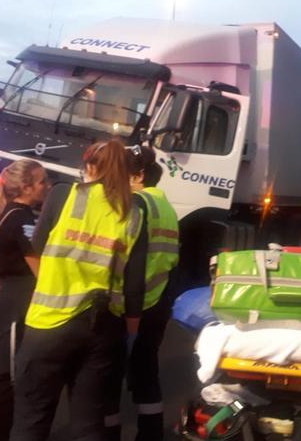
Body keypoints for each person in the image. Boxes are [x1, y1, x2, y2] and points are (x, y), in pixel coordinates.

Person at [9, 140, 147, 441]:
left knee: (31, 421)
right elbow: (135, 285)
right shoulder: (135, 212)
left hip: (49, 324)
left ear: (90, 168)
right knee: (88, 425)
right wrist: (131, 337)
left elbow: (37, 247)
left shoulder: (62, 195)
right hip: (103, 327)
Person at [104, 145, 179, 441]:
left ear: (138, 175)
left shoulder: (136, 203)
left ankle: (107, 433)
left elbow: (123, 252)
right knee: (146, 371)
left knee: (109, 375)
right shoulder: (166, 206)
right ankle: (150, 434)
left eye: (125, 173)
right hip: (158, 300)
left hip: (130, 302)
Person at [0, 159, 49, 441]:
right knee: (7, 379)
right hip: (15, 307)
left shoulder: (8, 213)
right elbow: (40, 270)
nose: (47, 186)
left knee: (8, 377)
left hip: (5, 301)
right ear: (26, 186)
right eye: (42, 181)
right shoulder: (22, 219)